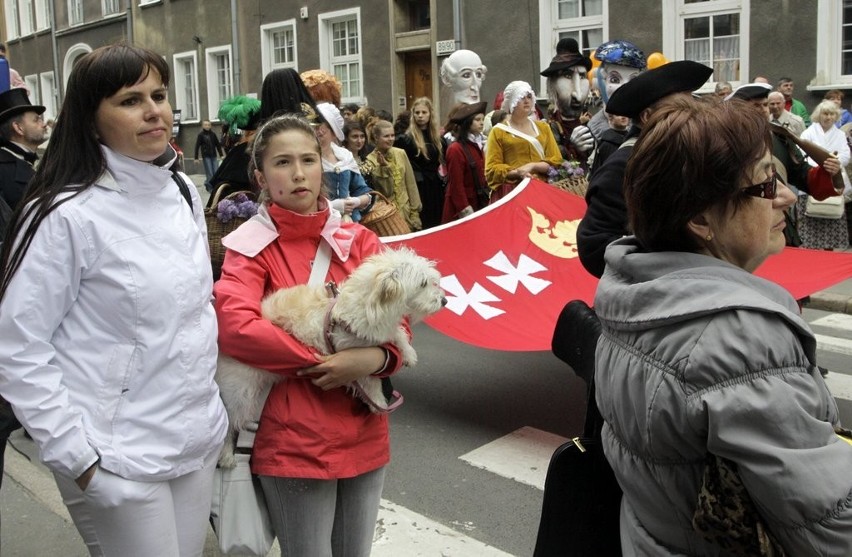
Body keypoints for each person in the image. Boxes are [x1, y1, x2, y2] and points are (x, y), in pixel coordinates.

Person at [593, 94, 852, 555]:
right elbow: (827, 520)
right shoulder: (739, 340)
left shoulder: (630, 294)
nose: (788, 198)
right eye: (767, 186)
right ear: (699, 219)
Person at [0, 42, 227, 556]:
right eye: (130, 100)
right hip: (115, 452)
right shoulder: (64, 213)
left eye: (160, 94)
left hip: (193, 438)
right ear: (91, 118)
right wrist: (78, 459)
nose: (154, 111)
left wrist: (213, 416)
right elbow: (18, 346)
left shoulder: (182, 192)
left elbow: (194, 314)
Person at [214, 114, 407, 557]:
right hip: (293, 439)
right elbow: (237, 327)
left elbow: (399, 320)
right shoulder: (248, 248)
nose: (299, 173)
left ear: (325, 166)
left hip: (363, 429)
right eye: (283, 162)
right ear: (261, 176)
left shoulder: (360, 241)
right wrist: (330, 361)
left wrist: (375, 362)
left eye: (309, 159)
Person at [577, 60, 713, 277]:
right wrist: (669, 257)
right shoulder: (622, 166)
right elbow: (594, 247)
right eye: (681, 109)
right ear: (648, 117)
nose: (694, 115)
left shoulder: (684, 153)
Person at [484, 80, 562, 191]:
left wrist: (533, 166)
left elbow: (556, 161)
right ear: (512, 102)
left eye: (529, 97)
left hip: (542, 189)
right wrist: (517, 173)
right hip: (513, 191)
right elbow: (492, 170)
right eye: (521, 97)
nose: (526, 101)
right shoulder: (498, 131)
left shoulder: (543, 127)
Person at [798, 100, 850, 249]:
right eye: (825, 113)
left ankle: (830, 249)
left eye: (832, 114)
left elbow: (845, 155)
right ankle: (811, 249)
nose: (828, 117)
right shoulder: (808, 132)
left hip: (833, 176)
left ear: (836, 116)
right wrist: (820, 166)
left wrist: (832, 164)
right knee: (811, 216)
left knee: (832, 214)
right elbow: (801, 152)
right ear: (818, 115)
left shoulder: (839, 134)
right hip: (813, 176)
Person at [540, 38, 594, 169]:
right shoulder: (548, 129)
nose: (578, 94)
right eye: (568, 76)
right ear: (552, 85)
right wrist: (571, 146)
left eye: (582, 77)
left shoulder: (593, 124)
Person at [315, 102, 372, 222]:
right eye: (315, 125)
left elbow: (363, 190)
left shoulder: (345, 155)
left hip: (350, 223)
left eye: (322, 126)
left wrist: (356, 201)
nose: (318, 130)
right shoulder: (308, 159)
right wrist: (332, 206)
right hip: (322, 223)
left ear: (333, 132)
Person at [395, 97, 445, 229]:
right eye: (417, 113)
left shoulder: (438, 139)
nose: (420, 116)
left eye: (424, 112)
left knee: (436, 223)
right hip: (417, 186)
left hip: (435, 186)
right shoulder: (406, 139)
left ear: (430, 114)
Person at [367, 119, 422, 230]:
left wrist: (415, 212)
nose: (391, 139)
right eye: (386, 136)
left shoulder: (400, 153)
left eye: (392, 135)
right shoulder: (370, 160)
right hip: (387, 216)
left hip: (406, 210)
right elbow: (385, 191)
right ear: (376, 138)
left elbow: (411, 184)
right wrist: (384, 168)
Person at [587, 39, 646, 139]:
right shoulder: (593, 129)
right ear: (601, 82)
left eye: (632, 80)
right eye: (615, 80)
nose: (625, 87)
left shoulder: (643, 124)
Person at [0, 87, 48, 210]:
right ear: (18, 128)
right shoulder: (3, 169)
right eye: (36, 120)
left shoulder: (33, 161)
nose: (43, 124)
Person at [442, 101, 488, 222]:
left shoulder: (479, 145)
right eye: (477, 120)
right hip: (462, 208)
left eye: (482, 119)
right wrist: (465, 210)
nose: (481, 123)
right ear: (468, 123)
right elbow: (456, 186)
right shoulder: (455, 149)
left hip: (479, 203)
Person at [194, 119, 224, 191]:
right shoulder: (201, 135)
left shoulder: (213, 134)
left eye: (208, 125)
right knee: (210, 172)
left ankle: (209, 183)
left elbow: (217, 145)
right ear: (202, 126)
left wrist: (221, 154)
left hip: (213, 155)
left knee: (216, 171)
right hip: (206, 156)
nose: (207, 126)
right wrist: (196, 158)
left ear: (210, 126)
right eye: (205, 125)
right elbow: (197, 146)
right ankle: (210, 187)